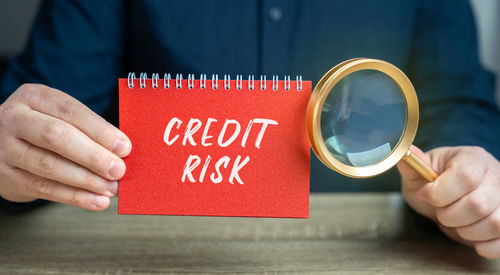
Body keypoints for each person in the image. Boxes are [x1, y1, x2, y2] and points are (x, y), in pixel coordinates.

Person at [0, 0, 499, 259]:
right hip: (152, 252)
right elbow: (43, 107)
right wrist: (12, 150)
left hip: (371, 247)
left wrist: (468, 174)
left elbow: (458, 99)